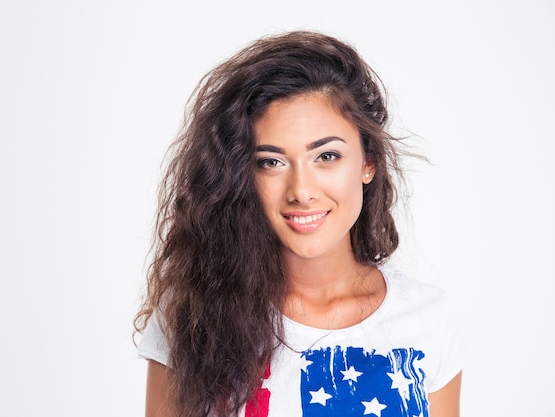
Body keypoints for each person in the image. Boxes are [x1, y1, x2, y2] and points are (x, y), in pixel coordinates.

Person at [134, 30, 463, 417]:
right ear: (242, 175)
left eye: (326, 156)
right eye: (271, 162)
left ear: (368, 163)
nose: (302, 191)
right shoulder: (192, 314)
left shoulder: (428, 317)